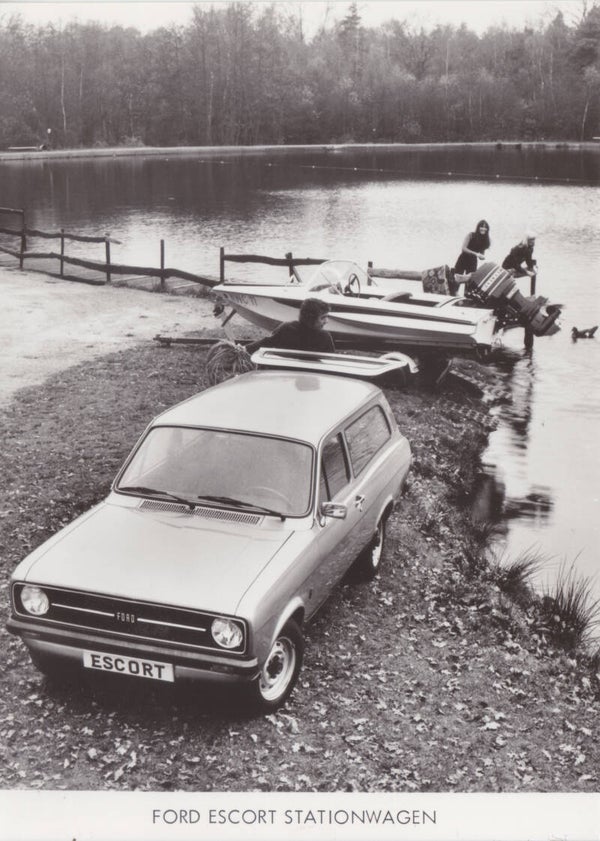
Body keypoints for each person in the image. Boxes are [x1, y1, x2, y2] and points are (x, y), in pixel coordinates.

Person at [246, 297, 335, 354]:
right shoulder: (325, 337)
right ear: (310, 318)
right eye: (323, 318)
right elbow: (331, 361)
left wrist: (242, 350)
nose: (326, 321)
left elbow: (266, 342)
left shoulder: (287, 328)